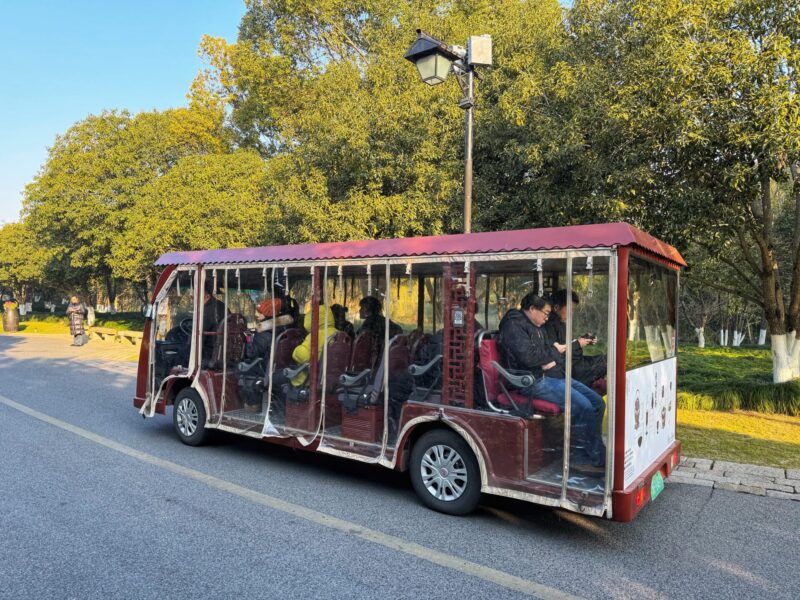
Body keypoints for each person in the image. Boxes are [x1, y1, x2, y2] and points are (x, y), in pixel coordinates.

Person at [497, 292, 606, 473]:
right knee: (584, 407)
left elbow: (548, 352)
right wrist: (551, 355)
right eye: (545, 313)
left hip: (550, 375)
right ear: (532, 309)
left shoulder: (536, 326)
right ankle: (581, 457)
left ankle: (593, 452)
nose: (547, 317)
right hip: (531, 382)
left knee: (597, 403)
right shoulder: (514, 326)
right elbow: (529, 357)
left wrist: (551, 356)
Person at [544, 289, 607, 388]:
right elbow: (557, 353)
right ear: (556, 307)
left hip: (575, 362)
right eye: (570, 309)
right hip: (567, 368)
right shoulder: (549, 326)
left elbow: (566, 344)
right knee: (604, 364)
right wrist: (578, 344)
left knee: (606, 359)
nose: (571, 313)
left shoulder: (561, 323)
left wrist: (584, 339)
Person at [202, 281, 227, 364]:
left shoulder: (207, 310)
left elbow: (199, 335)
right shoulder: (221, 305)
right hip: (222, 350)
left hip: (210, 352)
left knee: (181, 353)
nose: (192, 297)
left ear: (207, 296)